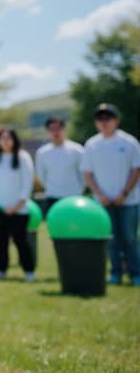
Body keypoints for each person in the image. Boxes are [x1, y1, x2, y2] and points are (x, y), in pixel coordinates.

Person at [80, 103, 140, 285]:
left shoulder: (129, 142)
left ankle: (136, 273)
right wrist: (100, 194)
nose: (104, 122)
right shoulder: (92, 145)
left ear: (116, 120)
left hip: (128, 200)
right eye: (100, 119)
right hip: (103, 202)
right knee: (111, 240)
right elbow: (87, 173)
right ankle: (115, 273)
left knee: (129, 238)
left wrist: (124, 193)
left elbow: (136, 169)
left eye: (108, 118)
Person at [0, 127, 36, 281]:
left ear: (14, 140)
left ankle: (29, 271)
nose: (5, 141)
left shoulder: (23, 158)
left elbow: (27, 184)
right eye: (2, 138)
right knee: (0, 242)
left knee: (21, 241)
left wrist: (17, 205)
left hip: (18, 209)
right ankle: (1, 269)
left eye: (8, 138)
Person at [34, 116, 84, 216]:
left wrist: (79, 189)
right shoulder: (42, 153)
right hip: (53, 196)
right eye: (52, 129)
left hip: (74, 195)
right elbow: (41, 175)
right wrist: (51, 188)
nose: (55, 132)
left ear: (64, 130)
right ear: (48, 132)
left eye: (58, 128)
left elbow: (83, 174)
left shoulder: (77, 150)